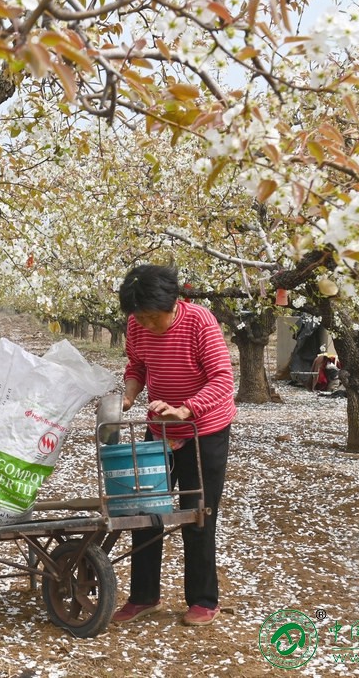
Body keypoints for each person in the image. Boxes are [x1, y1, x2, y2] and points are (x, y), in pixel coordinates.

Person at [114, 264, 236, 626]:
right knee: (145, 511)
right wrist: (129, 396)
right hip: (160, 428)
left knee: (197, 514)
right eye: (141, 318)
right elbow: (136, 365)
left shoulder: (199, 322)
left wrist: (186, 409)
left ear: (174, 303)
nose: (147, 325)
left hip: (205, 431)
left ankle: (202, 600)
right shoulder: (137, 325)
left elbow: (222, 378)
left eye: (154, 318)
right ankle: (143, 597)